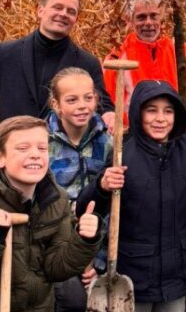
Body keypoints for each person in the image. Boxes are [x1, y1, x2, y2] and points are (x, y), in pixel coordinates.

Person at [76, 80, 186, 312]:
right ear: (138, 113)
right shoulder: (122, 154)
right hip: (134, 276)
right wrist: (102, 185)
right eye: (152, 110)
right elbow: (87, 208)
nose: (160, 118)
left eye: (168, 111)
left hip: (179, 271)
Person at [0, 116, 103, 311]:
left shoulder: (55, 200)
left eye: (42, 148)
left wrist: (85, 241)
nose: (35, 155)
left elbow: (56, 269)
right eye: (23, 148)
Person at [0, 0, 116, 126]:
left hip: (63, 160)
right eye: (57, 7)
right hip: (13, 154)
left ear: (76, 20)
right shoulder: (6, 53)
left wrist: (109, 114)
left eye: (71, 11)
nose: (63, 14)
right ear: (40, 11)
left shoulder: (87, 62)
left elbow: (102, 106)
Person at [45, 68, 113, 312]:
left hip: (100, 246)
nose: (82, 106)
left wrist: (98, 260)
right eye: (72, 100)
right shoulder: (41, 143)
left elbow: (113, 206)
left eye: (88, 97)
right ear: (56, 104)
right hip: (56, 248)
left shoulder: (108, 143)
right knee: (71, 301)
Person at [103, 0, 186, 132]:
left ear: (162, 18)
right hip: (136, 141)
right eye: (141, 17)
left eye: (154, 16)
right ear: (131, 20)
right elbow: (110, 108)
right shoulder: (117, 58)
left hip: (176, 139)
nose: (148, 23)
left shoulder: (183, 53)